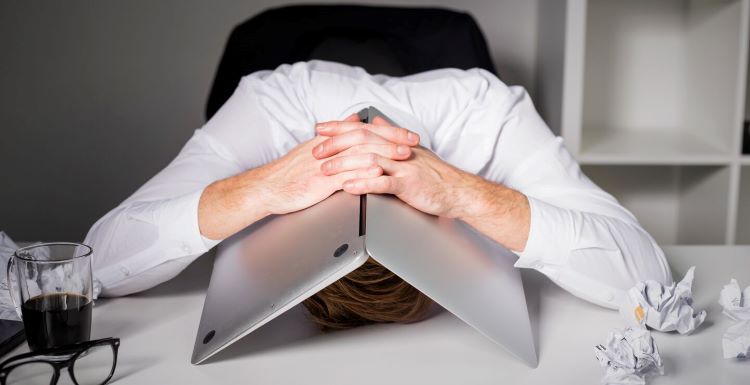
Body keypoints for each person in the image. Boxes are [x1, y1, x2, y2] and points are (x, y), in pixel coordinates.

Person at [84, 61, 672, 329]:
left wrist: (462, 192)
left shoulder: (489, 115)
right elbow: (96, 266)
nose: (369, 183)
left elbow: (649, 283)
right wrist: (265, 187)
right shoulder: (269, 107)